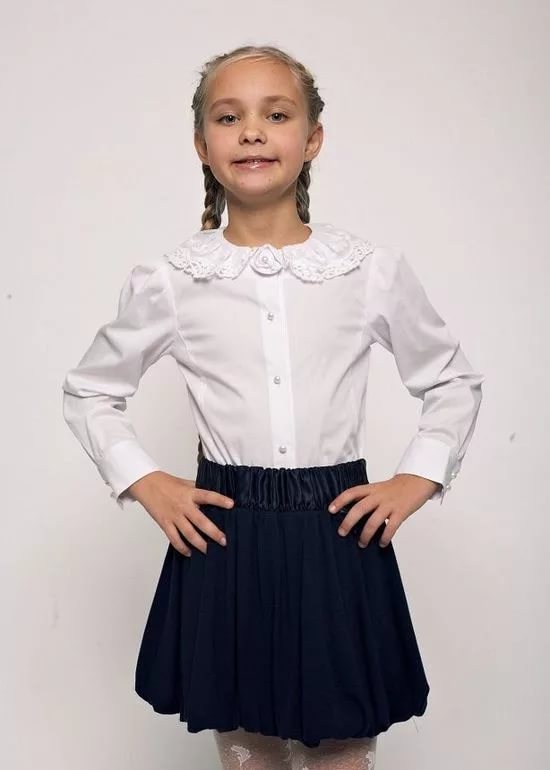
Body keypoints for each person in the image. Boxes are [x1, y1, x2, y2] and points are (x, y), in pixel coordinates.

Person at [61, 44, 484, 769]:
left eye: (276, 114)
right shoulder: (172, 280)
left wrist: (418, 476)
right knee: (248, 749)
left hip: (338, 533)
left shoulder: (367, 271)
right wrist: (145, 480)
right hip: (226, 538)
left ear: (312, 138)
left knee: (342, 745)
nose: (252, 131)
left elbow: (452, 380)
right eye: (229, 117)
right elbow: (90, 388)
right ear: (202, 145)